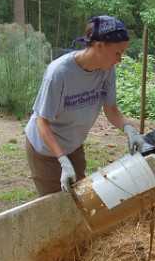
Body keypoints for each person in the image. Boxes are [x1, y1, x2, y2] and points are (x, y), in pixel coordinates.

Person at [24, 15, 145, 196]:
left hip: (73, 145)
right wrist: (62, 160)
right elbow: (42, 122)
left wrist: (129, 129)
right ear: (98, 46)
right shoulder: (59, 73)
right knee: (55, 204)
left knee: (80, 199)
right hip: (47, 150)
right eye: (117, 53)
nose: (119, 60)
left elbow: (111, 109)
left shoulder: (107, 70)